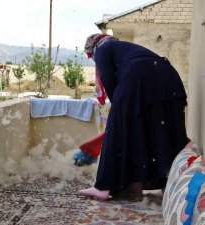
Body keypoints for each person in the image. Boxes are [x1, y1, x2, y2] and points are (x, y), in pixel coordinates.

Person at [79, 34, 189, 200]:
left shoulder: (102, 48)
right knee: (162, 133)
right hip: (169, 80)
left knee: (121, 130)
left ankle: (104, 186)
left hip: (140, 79)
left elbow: (108, 80)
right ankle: (168, 185)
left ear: (92, 47)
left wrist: (119, 117)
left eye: (90, 55)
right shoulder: (125, 50)